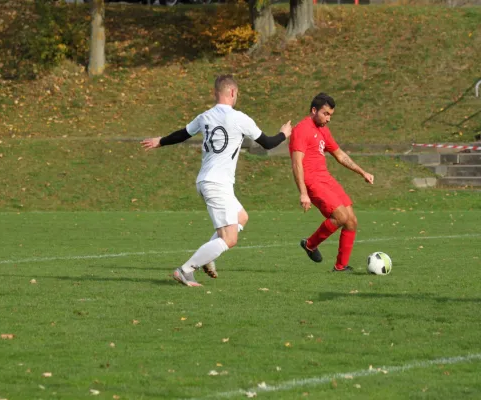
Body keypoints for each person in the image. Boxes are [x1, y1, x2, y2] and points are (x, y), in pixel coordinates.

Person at [141, 74, 292, 287]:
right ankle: (185, 270)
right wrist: (284, 133)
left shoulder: (205, 116)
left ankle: (208, 257)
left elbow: (183, 134)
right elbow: (268, 143)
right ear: (232, 92)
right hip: (217, 184)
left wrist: (160, 141)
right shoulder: (240, 118)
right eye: (236, 93)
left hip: (208, 180)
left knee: (241, 217)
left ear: (215, 93)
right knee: (230, 239)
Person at [289, 93, 374, 272]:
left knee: (351, 220)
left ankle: (341, 267)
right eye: (325, 114)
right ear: (314, 110)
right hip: (312, 182)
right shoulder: (301, 130)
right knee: (341, 217)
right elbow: (297, 163)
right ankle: (310, 244)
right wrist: (303, 193)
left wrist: (362, 172)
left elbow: (340, 155)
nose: (328, 119)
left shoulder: (323, 130)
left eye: (330, 115)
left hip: (326, 179)